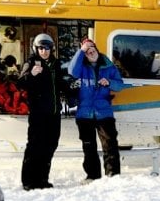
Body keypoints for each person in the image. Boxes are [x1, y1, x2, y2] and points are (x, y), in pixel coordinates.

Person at [17, 34, 70, 190]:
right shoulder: (32, 63)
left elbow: (61, 83)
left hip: (53, 113)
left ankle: (42, 179)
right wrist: (31, 74)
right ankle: (28, 181)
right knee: (34, 146)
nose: (44, 51)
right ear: (36, 49)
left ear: (51, 49)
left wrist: (71, 90)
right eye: (41, 48)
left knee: (50, 145)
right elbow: (20, 83)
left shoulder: (56, 64)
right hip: (38, 113)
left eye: (47, 48)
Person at [68, 37, 124, 181]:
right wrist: (81, 50)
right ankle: (92, 176)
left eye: (93, 49)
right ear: (84, 54)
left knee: (110, 145)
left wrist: (109, 82)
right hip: (84, 114)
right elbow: (72, 71)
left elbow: (119, 85)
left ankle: (113, 177)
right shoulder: (81, 68)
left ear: (97, 50)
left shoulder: (108, 66)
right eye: (87, 51)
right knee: (88, 147)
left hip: (104, 113)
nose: (91, 52)